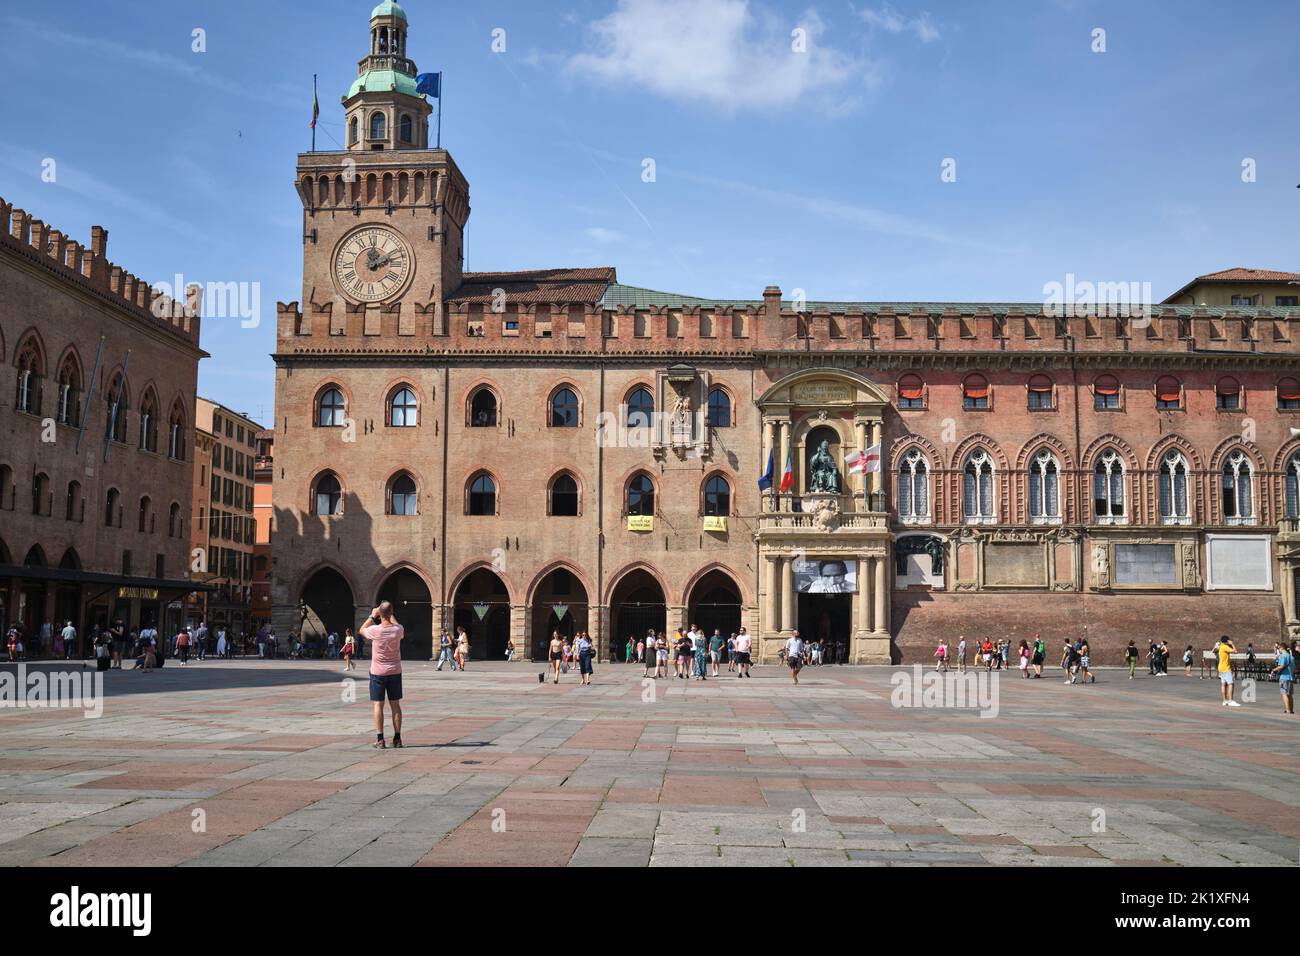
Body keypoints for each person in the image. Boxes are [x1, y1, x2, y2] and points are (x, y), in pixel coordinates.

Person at [361, 602, 404, 748]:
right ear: (391, 613)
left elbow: (361, 630)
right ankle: (397, 738)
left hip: (377, 673)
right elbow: (398, 626)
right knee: (395, 705)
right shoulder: (398, 630)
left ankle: (380, 739)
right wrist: (390, 614)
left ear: (380, 613)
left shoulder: (374, 630)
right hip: (395, 671)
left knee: (378, 705)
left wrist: (372, 616)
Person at [1215, 635, 1240, 707]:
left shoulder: (1220, 646)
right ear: (1227, 641)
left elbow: (1214, 650)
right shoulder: (1225, 647)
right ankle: (1231, 701)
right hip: (1226, 668)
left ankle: (1224, 701)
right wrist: (1232, 644)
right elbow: (1235, 651)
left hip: (1221, 668)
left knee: (1223, 684)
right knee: (1231, 684)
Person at [1271, 642, 1295, 715]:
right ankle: (1291, 710)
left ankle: (1287, 710)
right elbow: (1294, 667)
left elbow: (1281, 666)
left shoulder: (1283, 656)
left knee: (1284, 693)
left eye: (1279, 648)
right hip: (1290, 677)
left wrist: (1274, 670)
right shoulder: (1291, 657)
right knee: (1290, 694)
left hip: (1284, 677)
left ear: (1281, 648)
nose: (1279, 650)